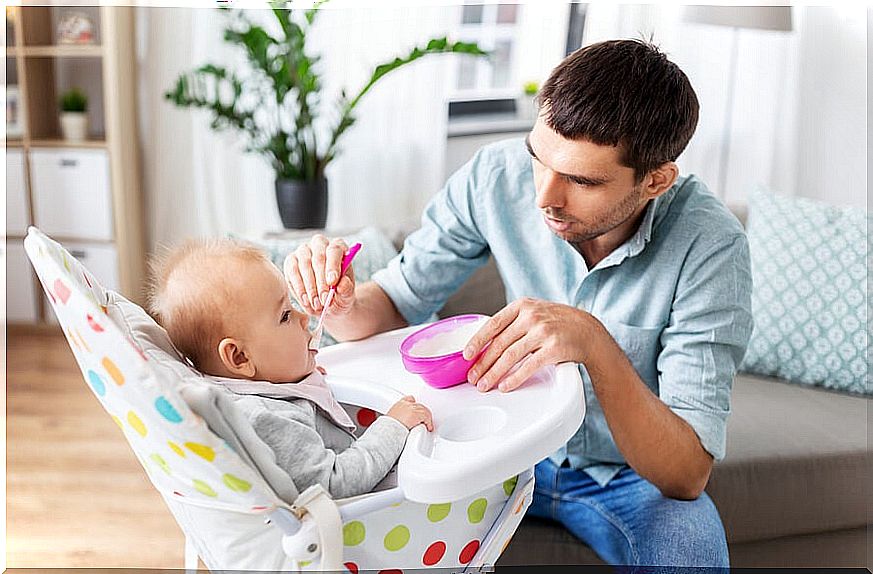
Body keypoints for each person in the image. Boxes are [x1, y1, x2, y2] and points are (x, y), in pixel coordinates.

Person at [284, 39, 752, 568]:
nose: (543, 197)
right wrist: (338, 298)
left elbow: (686, 475)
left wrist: (594, 345)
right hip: (492, 451)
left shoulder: (711, 244)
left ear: (655, 180)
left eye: (581, 180)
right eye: (538, 158)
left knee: (692, 558)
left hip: (622, 476)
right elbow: (395, 302)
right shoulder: (493, 178)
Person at [148, 238, 433, 499]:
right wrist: (393, 426)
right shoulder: (265, 420)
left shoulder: (267, 385)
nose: (302, 317)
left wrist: (302, 382)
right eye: (285, 315)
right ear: (238, 358)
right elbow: (334, 484)